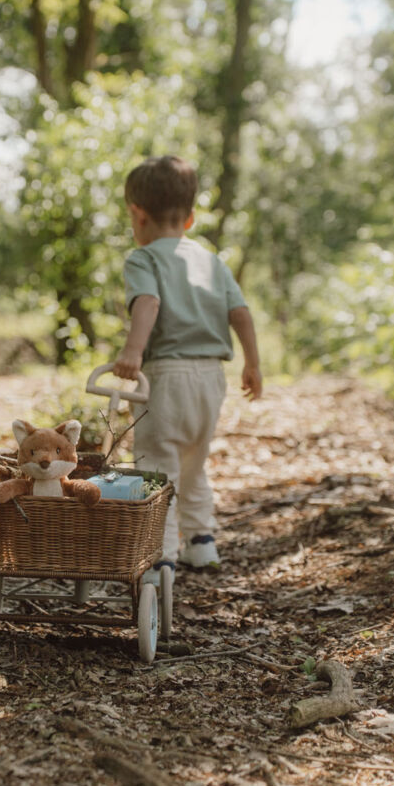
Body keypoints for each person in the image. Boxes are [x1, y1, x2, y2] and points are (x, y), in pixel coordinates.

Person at [113, 155, 262, 580]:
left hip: (167, 376)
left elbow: (149, 302)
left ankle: (161, 556)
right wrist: (252, 363)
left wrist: (132, 351)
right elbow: (241, 312)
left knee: (156, 464)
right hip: (212, 377)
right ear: (191, 218)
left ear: (137, 215)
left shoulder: (143, 259)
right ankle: (202, 543)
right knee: (195, 462)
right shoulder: (212, 261)